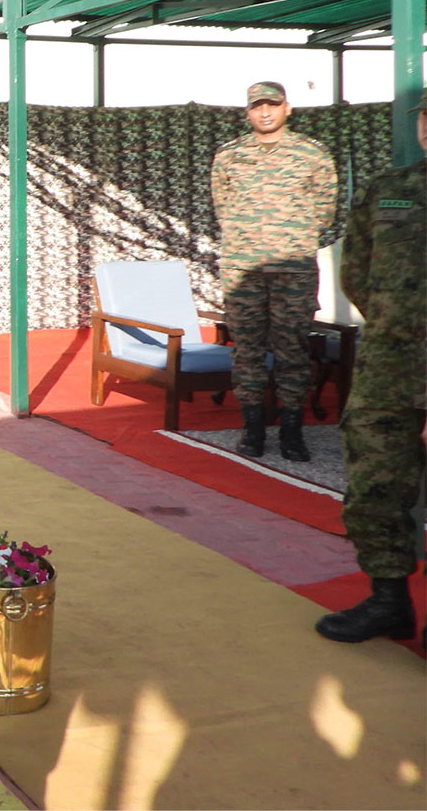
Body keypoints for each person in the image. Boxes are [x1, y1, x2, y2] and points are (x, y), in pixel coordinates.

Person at [315, 92, 425, 644]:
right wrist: (392, 320)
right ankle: (388, 601)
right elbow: (354, 268)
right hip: (389, 365)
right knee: (374, 485)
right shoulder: (390, 190)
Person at [210, 80, 337, 463]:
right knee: (246, 351)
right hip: (242, 267)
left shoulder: (312, 154)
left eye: (272, 105)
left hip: (293, 269)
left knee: (293, 350)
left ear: (288, 109)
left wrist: (290, 239)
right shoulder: (229, 156)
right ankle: (252, 429)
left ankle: (292, 431)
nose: (265, 112)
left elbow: (325, 209)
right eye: (257, 106)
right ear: (247, 112)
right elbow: (222, 207)